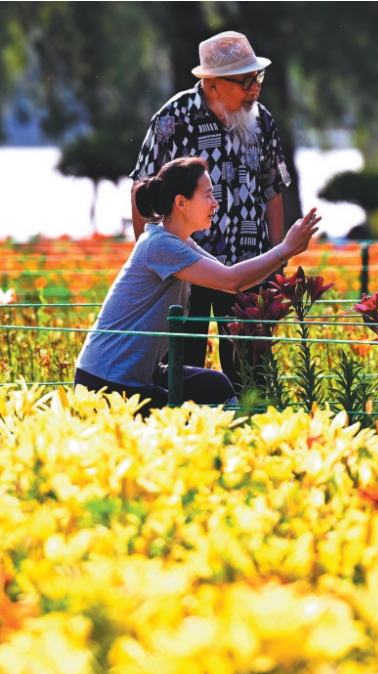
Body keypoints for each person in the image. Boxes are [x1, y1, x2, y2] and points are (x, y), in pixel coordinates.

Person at [75, 157, 321, 412]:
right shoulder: (160, 245)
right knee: (185, 417)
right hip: (104, 382)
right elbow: (231, 280)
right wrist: (285, 249)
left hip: (137, 375)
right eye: (208, 195)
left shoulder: (179, 243)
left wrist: (286, 252)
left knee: (215, 386)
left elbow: (231, 279)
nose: (215, 203)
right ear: (181, 203)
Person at [130, 30, 291, 390]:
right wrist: (151, 260)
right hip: (187, 269)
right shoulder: (173, 120)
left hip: (249, 267)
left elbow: (273, 192)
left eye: (258, 77)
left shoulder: (261, 121)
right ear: (213, 85)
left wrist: (277, 262)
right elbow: (142, 187)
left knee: (253, 373)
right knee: (181, 368)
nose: (255, 88)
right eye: (246, 80)